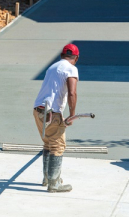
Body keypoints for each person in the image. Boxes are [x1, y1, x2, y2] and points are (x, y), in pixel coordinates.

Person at [33, 43, 79, 193]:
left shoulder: (52, 67)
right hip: (52, 113)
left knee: (48, 143)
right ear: (76, 58)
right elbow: (72, 93)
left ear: (61, 56)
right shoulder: (71, 69)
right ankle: (54, 184)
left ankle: (47, 178)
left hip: (38, 110)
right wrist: (72, 115)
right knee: (58, 146)